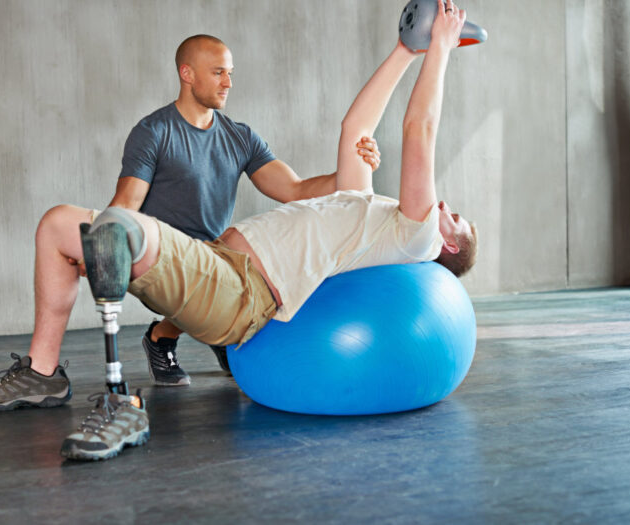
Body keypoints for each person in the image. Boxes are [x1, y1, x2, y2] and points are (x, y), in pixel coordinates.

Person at [60, 0, 478, 461]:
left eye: (453, 215)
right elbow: (355, 126)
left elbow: (419, 129)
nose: (443, 204)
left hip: (241, 284)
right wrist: (405, 50)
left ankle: (130, 362)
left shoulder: (416, 236)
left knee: (112, 228)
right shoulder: (368, 206)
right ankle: (128, 324)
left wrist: (440, 46)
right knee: (74, 224)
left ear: (447, 243)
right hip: (222, 259)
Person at [0, 35, 381, 411]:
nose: (228, 83)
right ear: (187, 74)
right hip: (162, 260)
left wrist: (352, 167)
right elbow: (126, 203)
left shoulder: (240, 137)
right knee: (61, 226)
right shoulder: (154, 132)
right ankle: (44, 373)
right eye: (218, 72)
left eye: (230, 73)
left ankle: (174, 336)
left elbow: (295, 189)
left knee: (236, 272)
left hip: (217, 266)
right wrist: (96, 246)